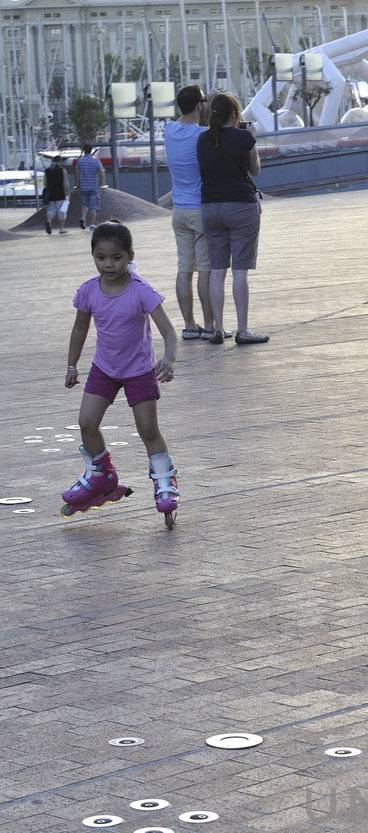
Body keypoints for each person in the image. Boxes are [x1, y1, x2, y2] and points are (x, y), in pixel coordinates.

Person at [63, 222, 179, 518]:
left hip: (138, 370)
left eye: (116, 257)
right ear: (93, 256)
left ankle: (165, 479)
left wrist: (168, 359)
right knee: (86, 423)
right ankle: (102, 473)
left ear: (129, 256)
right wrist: (72, 365)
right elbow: (79, 329)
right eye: (101, 257)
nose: (108, 264)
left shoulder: (141, 291)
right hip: (105, 368)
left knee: (148, 430)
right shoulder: (89, 291)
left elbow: (167, 330)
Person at [196, 92, 268, 346]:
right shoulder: (245, 137)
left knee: (217, 270)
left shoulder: (202, 140)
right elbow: (255, 170)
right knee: (239, 271)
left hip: (210, 207)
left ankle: (217, 328)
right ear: (235, 113)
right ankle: (243, 329)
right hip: (241, 207)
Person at [164, 84, 221, 341]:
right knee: (205, 270)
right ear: (200, 105)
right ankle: (209, 324)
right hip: (200, 209)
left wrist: (192, 106)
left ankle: (189, 325)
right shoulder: (203, 135)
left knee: (184, 270)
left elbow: (182, 118)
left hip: (179, 212)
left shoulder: (169, 130)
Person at [74, 145, 105, 229]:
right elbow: (101, 173)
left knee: (85, 205)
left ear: (84, 150)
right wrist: (101, 184)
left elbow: (77, 175)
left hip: (83, 187)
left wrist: (77, 185)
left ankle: (83, 218)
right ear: (91, 150)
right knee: (93, 206)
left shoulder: (80, 161)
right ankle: (92, 224)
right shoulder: (95, 161)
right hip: (94, 187)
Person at [41, 155, 69, 236]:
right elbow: (65, 183)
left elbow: (45, 184)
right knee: (62, 211)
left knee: (51, 210)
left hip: (50, 194)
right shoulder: (62, 170)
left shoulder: (47, 171)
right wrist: (67, 192)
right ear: (60, 162)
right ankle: (61, 229)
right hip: (60, 193)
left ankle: (49, 221)